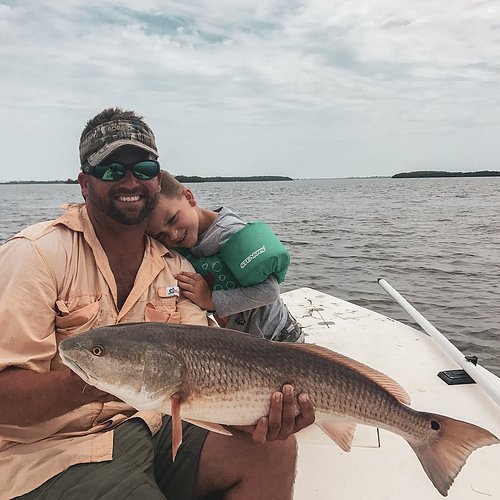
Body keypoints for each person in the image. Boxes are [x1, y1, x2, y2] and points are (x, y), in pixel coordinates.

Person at [0, 107, 315, 500]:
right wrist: (99, 377)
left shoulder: (176, 268)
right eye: (112, 170)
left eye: (144, 168)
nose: (130, 180)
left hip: (158, 425)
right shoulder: (34, 256)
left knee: (271, 448)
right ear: (84, 184)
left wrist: (253, 413)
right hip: (54, 452)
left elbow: (205, 369)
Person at [146, 171, 304, 342]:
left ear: (189, 197)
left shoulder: (230, 233)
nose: (173, 235)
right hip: (249, 343)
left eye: (172, 219)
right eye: (161, 235)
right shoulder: (185, 244)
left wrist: (209, 300)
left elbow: (269, 291)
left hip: (280, 338)